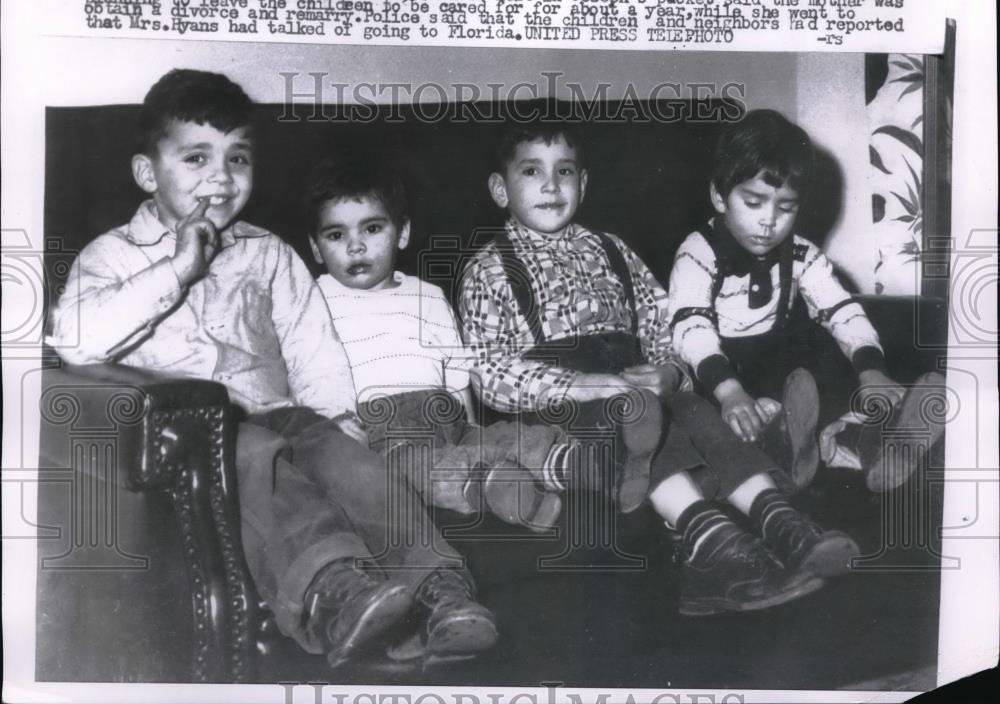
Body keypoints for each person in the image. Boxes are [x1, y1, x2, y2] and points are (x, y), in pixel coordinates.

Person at [48, 69, 495, 668]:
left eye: (238, 158)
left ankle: (441, 592)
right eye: (197, 157)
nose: (221, 177)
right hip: (199, 441)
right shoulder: (111, 255)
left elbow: (314, 347)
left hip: (286, 413)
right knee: (257, 454)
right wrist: (177, 269)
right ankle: (334, 593)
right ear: (147, 174)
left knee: (349, 461)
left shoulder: (268, 252)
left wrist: (342, 425)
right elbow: (76, 341)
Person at [458, 118, 858, 616]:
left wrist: (670, 372)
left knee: (692, 408)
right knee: (631, 423)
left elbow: (663, 327)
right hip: (561, 408)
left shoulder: (613, 250)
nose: (550, 184)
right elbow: (488, 373)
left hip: (640, 387)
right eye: (531, 171)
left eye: (565, 171)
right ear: (500, 188)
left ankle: (781, 520)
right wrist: (576, 384)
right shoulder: (489, 269)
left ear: (583, 184)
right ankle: (712, 546)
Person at [667, 109, 945, 492]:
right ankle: (783, 444)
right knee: (724, 407)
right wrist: (729, 390)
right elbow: (691, 328)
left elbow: (842, 311)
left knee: (820, 354)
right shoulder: (698, 251)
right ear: (719, 196)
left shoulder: (801, 253)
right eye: (753, 202)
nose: (769, 222)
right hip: (719, 368)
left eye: (785, 208)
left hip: (780, 360)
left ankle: (871, 440)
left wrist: (870, 370)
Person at [305, 152, 567, 532]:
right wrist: (330, 426)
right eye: (336, 235)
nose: (356, 246)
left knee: (505, 438)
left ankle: (574, 462)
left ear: (403, 232)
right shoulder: (313, 299)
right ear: (315, 247)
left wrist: (472, 428)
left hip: (446, 416)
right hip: (379, 430)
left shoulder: (427, 295)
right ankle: (493, 487)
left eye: (372, 229)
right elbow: (306, 372)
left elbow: (457, 374)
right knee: (415, 467)